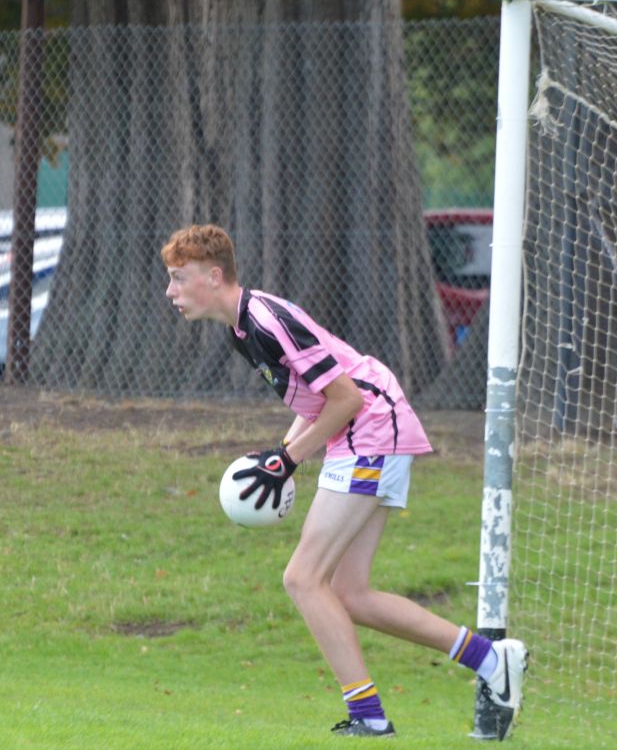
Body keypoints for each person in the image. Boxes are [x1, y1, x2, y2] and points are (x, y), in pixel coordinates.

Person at [160, 224, 529, 738]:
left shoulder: (266, 320)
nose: (171, 292)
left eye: (179, 279)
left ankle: (369, 715)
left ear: (213, 276)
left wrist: (288, 459)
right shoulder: (241, 330)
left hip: (373, 429)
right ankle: (490, 660)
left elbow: (347, 399)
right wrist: (281, 452)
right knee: (349, 593)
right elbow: (315, 399)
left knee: (301, 578)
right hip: (362, 434)